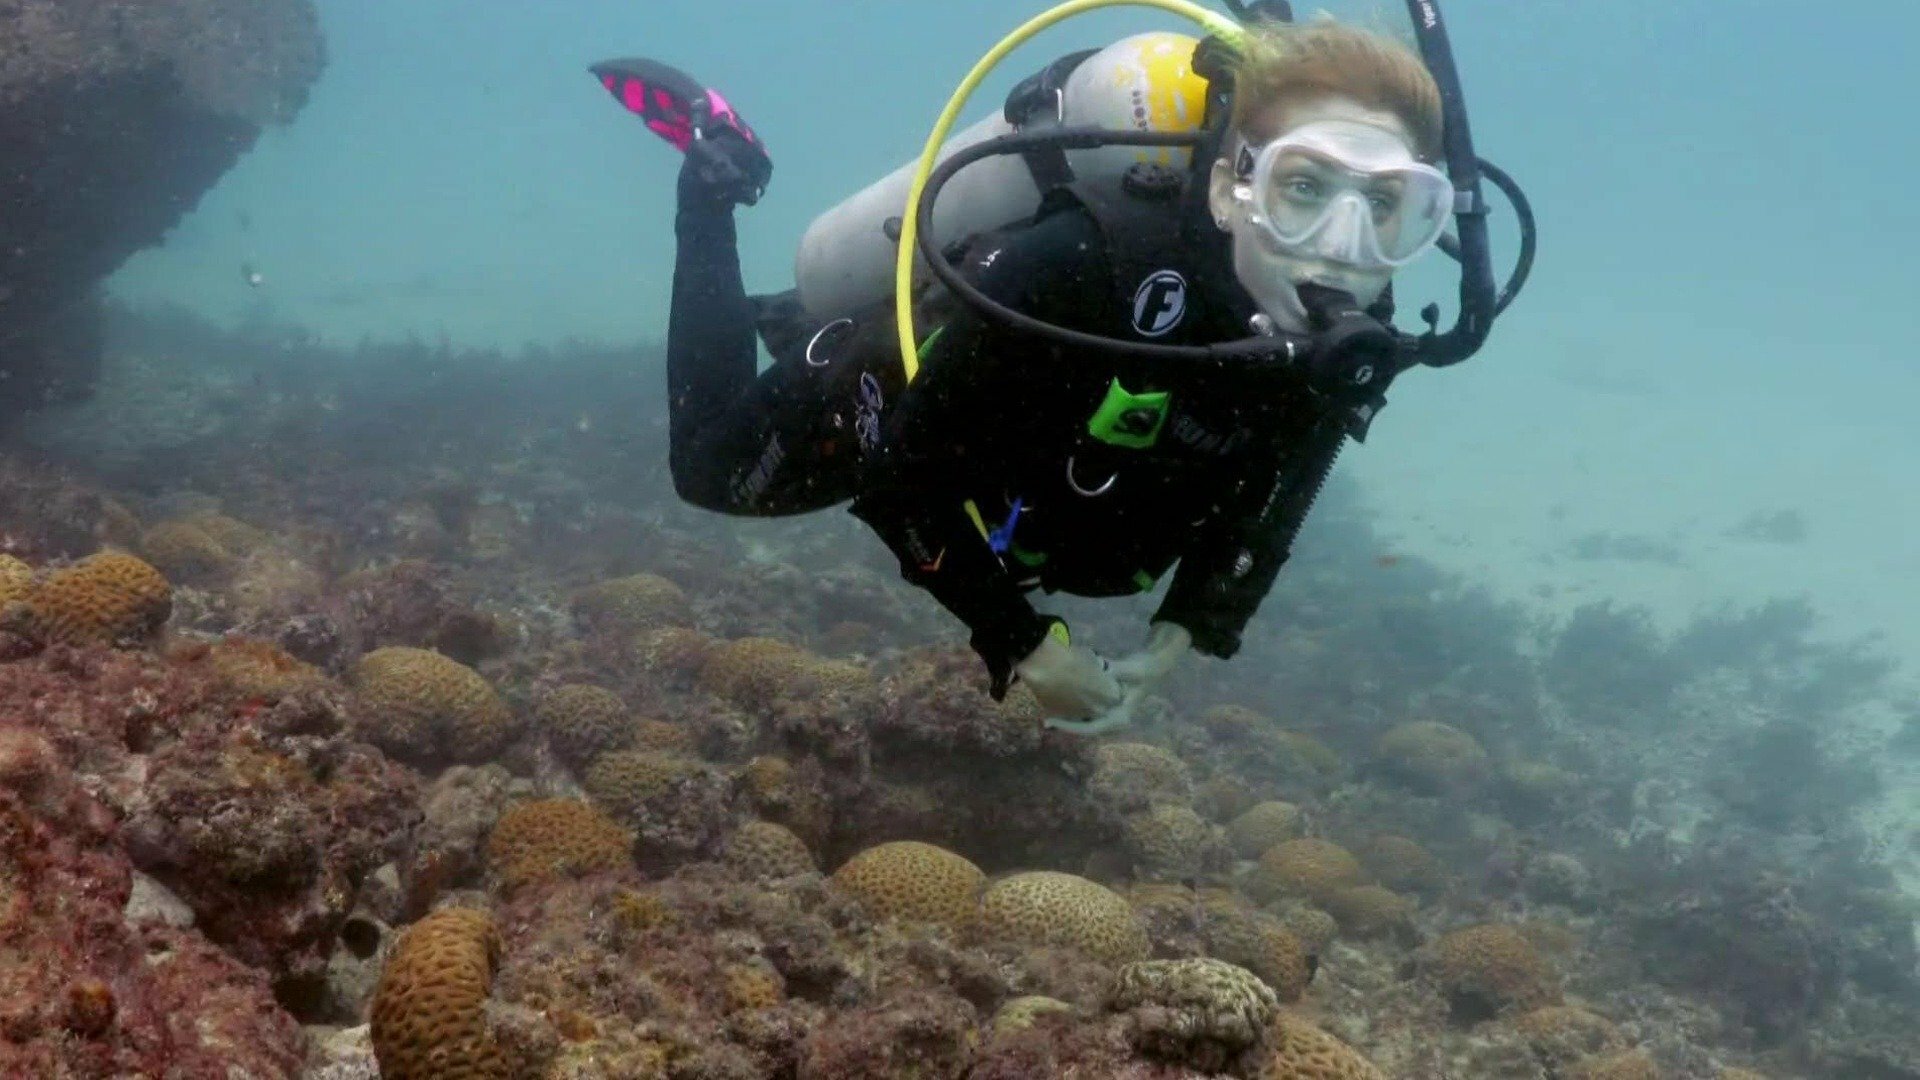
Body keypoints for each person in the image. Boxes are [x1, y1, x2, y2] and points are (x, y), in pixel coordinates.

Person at [621, 19, 1455, 731]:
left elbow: (1271, 499)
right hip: (903, 386)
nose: (1342, 245)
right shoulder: (1083, 262)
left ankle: (792, 319)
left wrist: (1181, 635)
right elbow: (901, 485)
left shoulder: (1349, 340)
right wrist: (1020, 643)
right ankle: (713, 188)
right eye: (1304, 186)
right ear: (1232, 189)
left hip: (1018, 456)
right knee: (709, 469)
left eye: (1386, 204)